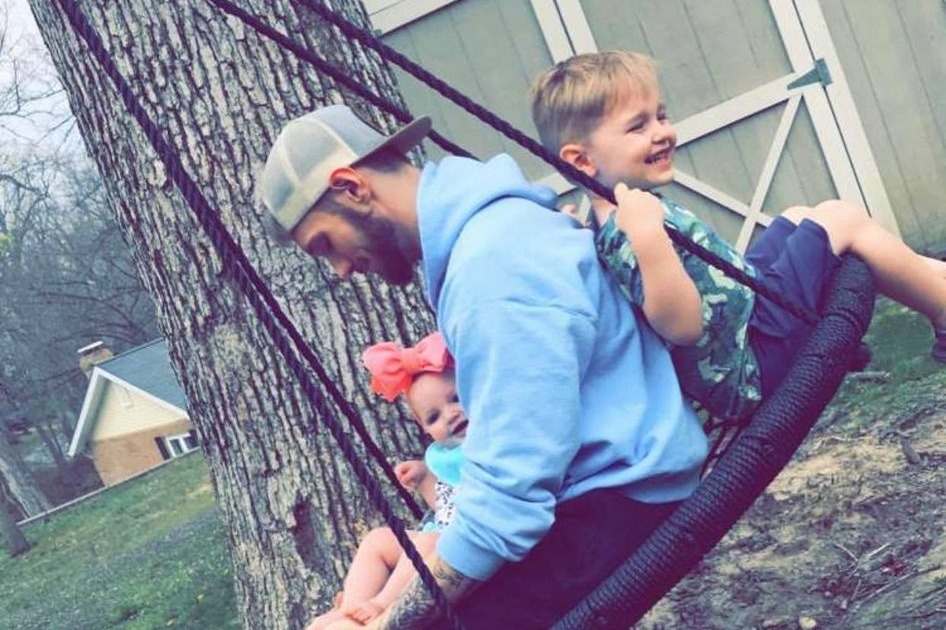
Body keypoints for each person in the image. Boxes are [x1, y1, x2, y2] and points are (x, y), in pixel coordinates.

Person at [258, 103, 708, 628]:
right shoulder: (492, 232)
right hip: (615, 483)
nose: (338, 269)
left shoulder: (491, 270)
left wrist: (389, 622)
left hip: (617, 505)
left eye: (326, 244)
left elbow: (510, 497)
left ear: (351, 187)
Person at [530, 50, 946, 422]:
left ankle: (936, 280)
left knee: (799, 217)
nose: (662, 132)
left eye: (661, 116)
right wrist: (648, 238)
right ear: (581, 161)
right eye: (637, 126)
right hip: (751, 364)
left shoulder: (619, 217)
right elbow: (682, 327)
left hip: (749, 309)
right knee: (841, 219)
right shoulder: (630, 229)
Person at [307, 332, 464, 629]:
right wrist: (424, 477)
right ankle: (352, 607)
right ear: (425, 429)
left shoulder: (488, 442)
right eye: (433, 418)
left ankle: (380, 605)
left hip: (459, 547)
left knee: (427, 543)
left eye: (456, 398)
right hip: (437, 534)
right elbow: (445, 508)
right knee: (378, 539)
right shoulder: (443, 456)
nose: (450, 415)